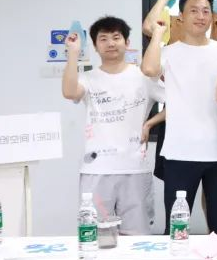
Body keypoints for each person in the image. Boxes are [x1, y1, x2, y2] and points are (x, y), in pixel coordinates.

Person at [141, 0, 217, 260]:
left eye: (206, 10)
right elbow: (148, 68)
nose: (200, 16)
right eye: (193, 10)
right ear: (180, 17)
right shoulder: (169, 52)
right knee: (176, 226)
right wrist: (157, 34)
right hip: (180, 152)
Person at [61, 16, 165, 235]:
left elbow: (177, 103)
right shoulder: (89, 78)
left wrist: (150, 123)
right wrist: (72, 54)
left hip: (135, 169)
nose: (110, 43)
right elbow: (69, 92)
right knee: (96, 235)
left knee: (137, 236)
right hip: (96, 170)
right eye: (103, 39)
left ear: (127, 42)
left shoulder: (143, 76)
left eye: (116, 37)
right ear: (95, 46)